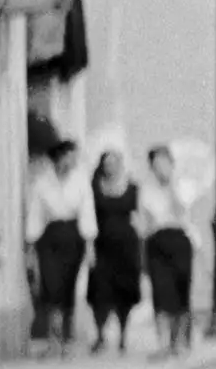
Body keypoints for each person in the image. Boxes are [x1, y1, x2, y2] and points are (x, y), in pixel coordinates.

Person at [24, 138, 87, 356]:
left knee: (68, 286)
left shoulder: (80, 181)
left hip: (72, 235)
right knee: (51, 286)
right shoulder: (43, 183)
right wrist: (31, 243)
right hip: (50, 237)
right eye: (70, 156)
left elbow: (87, 213)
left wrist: (89, 243)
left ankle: (67, 337)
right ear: (59, 157)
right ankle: (53, 338)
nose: (73, 161)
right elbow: (35, 213)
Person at [141, 142, 201, 357]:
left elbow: (182, 210)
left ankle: (179, 340)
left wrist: (171, 185)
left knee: (180, 291)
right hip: (157, 241)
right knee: (160, 291)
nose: (160, 169)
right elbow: (146, 221)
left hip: (179, 239)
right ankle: (163, 342)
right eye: (156, 164)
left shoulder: (183, 184)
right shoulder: (146, 189)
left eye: (164, 163)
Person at [83, 146, 144, 355]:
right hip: (102, 246)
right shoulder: (94, 187)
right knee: (100, 291)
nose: (110, 167)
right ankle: (100, 333)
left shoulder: (132, 187)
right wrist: (90, 247)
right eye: (106, 163)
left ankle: (123, 335)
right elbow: (89, 216)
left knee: (123, 292)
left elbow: (140, 216)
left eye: (113, 163)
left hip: (126, 246)